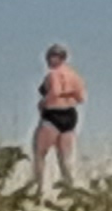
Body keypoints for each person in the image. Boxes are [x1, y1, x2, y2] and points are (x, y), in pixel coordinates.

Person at [28, 43, 87, 194]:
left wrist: (43, 103)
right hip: (70, 115)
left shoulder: (53, 74)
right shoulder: (75, 76)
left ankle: (39, 188)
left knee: (40, 153)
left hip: (53, 115)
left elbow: (55, 91)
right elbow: (81, 98)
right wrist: (67, 95)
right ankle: (69, 189)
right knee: (65, 159)